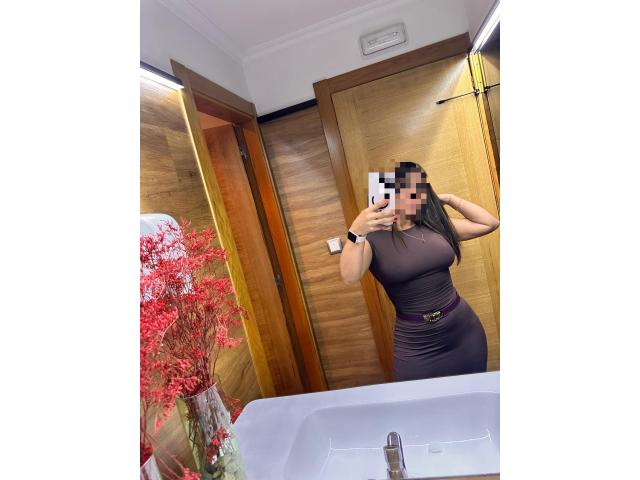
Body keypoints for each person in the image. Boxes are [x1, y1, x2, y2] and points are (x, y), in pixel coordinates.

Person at [340, 161, 500, 381]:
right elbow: (350, 276)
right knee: (420, 400)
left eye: (419, 188)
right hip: (418, 344)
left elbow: (489, 223)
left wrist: (451, 199)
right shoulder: (370, 240)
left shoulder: (436, 226)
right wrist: (356, 231)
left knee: (472, 394)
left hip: (463, 330)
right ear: (388, 193)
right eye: (404, 189)